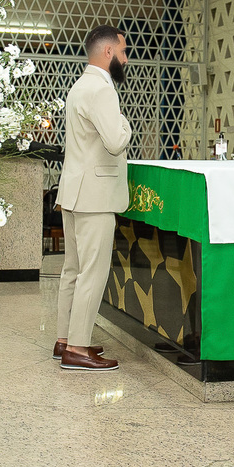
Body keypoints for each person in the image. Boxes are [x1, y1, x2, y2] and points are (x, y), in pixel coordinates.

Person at [53, 25, 132, 370]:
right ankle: (78, 349)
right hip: (96, 196)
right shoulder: (102, 89)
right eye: (123, 52)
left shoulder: (79, 86)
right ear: (107, 52)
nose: (125, 59)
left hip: (74, 192)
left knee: (72, 270)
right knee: (92, 273)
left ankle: (64, 339)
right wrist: (125, 122)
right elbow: (115, 140)